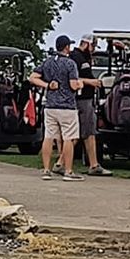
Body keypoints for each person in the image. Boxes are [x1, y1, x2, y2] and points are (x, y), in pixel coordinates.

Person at [29, 35, 88, 180]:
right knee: (69, 138)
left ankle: (46, 170)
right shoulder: (70, 63)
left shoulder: (48, 62)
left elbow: (33, 77)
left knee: (49, 137)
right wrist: (80, 84)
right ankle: (68, 171)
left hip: (50, 105)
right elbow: (73, 85)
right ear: (66, 47)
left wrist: (47, 85)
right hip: (67, 106)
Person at [68, 35, 110, 176]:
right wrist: (90, 82)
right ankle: (62, 163)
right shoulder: (75, 57)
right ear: (86, 44)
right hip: (80, 99)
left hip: (87, 99)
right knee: (81, 134)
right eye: (92, 46)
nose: (93, 50)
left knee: (88, 133)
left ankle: (93, 164)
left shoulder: (85, 58)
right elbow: (71, 78)